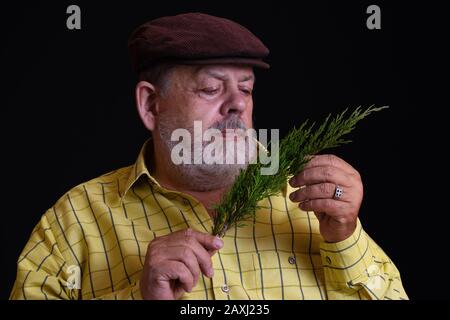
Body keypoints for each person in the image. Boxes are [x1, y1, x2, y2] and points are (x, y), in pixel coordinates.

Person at [10, 12, 407, 300]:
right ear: (151, 105)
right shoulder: (75, 220)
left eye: (246, 89)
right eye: (211, 89)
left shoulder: (310, 199)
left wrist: (345, 237)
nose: (237, 105)